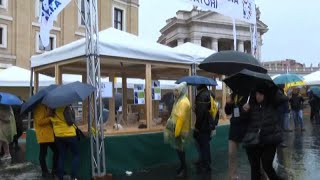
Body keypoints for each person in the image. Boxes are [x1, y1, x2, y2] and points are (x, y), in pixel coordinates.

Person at [242, 85, 283, 180]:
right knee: (254, 168)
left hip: (269, 140)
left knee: (267, 166)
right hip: (254, 141)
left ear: (265, 94)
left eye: (260, 94)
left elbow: (283, 99)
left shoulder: (272, 104)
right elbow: (244, 121)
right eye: (256, 94)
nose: (258, 96)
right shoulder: (251, 105)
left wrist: (276, 91)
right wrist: (244, 111)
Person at [164, 82, 191, 178]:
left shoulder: (183, 102)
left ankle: (184, 170)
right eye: (174, 90)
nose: (174, 92)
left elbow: (181, 119)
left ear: (181, 91)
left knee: (181, 151)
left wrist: (176, 132)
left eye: (176, 90)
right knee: (179, 150)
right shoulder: (179, 100)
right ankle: (182, 167)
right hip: (177, 129)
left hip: (181, 130)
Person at [51, 106, 80, 180]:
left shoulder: (52, 108)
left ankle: (60, 177)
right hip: (70, 134)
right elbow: (70, 121)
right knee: (76, 155)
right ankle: (73, 177)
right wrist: (72, 110)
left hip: (58, 135)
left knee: (61, 155)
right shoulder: (66, 107)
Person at [225, 93, 248, 180]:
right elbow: (228, 111)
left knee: (253, 155)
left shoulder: (249, 95)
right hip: (234, 128)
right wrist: (228, 103)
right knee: (231, 153)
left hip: (246, 128)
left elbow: (252, 113)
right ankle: (233, 176)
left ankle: (261, 173)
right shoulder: (233, 95)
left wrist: (246, 109)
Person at [193, 84, 215, 173]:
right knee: (206, 144)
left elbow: (201, 113)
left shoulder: (201, 96)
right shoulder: (210, 94)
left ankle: (206, 165)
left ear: (200, 86)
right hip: (209, 124)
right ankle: (205, 162)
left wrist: (197, 126)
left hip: (203, 125)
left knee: (203, 145)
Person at [33, 103, 58, 177]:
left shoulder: (46, 106)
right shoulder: (39, 108)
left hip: (49, 134)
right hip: (43, 134)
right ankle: (45, 171)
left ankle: (54, 170)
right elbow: (39, 121)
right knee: (43, 154)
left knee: (56, 151)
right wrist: (50, 118)